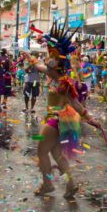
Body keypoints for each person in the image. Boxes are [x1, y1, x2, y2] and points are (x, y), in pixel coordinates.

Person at [24, 24, 101, 198]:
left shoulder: (63, 80)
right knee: (56, 153)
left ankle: (47, 184)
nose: (47, 58)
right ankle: (71, 184)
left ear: (56, 61)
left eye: (50, 55)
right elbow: (39, 66)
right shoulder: (54, 75)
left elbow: (75, 102)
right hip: (57, 119)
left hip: (56, 120)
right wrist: (29, 57)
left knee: (41, 151)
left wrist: (89, 118)